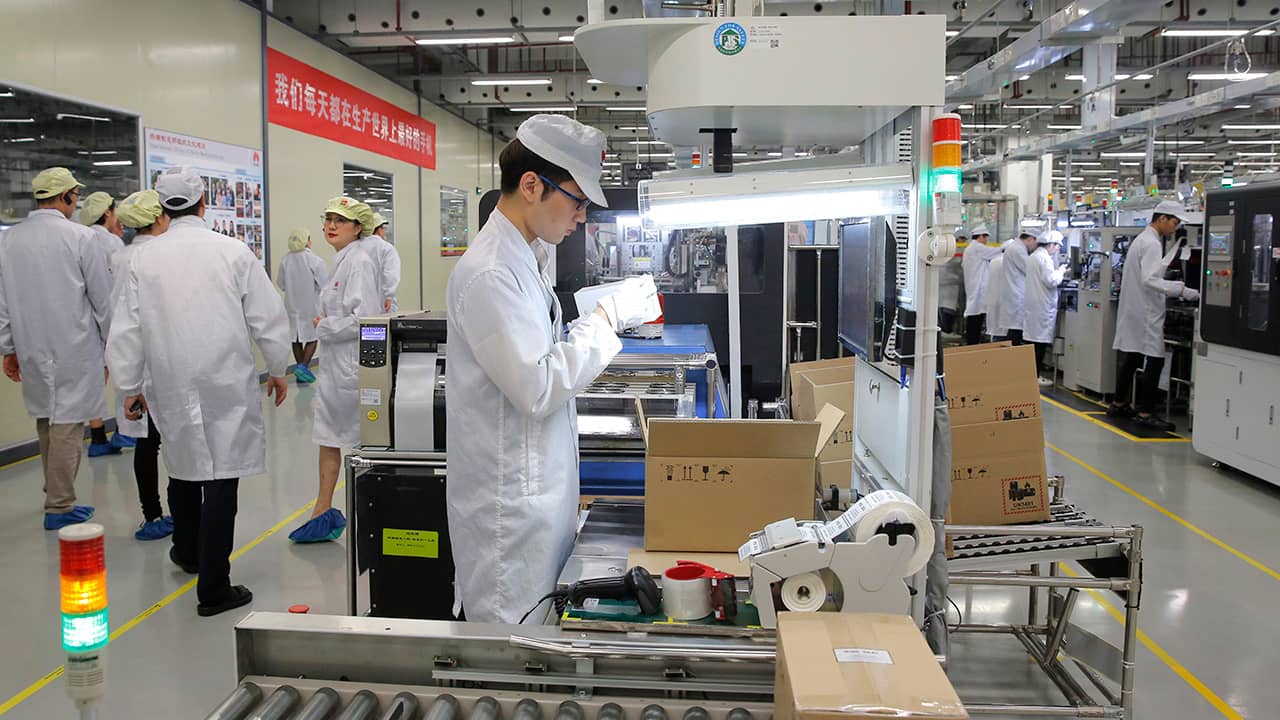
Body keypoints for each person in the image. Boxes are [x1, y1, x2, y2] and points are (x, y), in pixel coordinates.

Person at [445, 115, 660, 623]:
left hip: (536, 503)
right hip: (509, 519)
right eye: (577, 201)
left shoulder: (527, 256)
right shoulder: (490, 272)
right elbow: (537, 386)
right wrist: (607, 318)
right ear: (531, 186)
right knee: (512, 660)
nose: (581, 217)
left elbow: (540, 349)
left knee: (540, 649)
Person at [107, 166, 291, 616]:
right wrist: (279, 367)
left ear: (161, 206)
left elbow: (126, 328)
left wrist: (129, 384)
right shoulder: (231, 252)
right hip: (223, 378)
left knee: (183, 464)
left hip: (169, 378)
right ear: (203, 202)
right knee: (221, 474)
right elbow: (267, 316)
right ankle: (214, 587)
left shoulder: (143, 259)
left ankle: (187, 553)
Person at [0, 167, 111, 530]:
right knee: (68, 423)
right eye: (74, 197)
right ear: (66, 197)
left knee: (47, 419)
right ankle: (60, 505)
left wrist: (8, 347)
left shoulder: (10, 239)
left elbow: (2, 301)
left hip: (32, 343)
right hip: (73, 345)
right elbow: (102, 300)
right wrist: (113, 345)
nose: (75, 203)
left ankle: (54, 491)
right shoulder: (80, 237)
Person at [288, 197, 382, 543]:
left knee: (358, 444)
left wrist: (326, 325)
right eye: (327, 218)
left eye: (340, 221)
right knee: (328, 439)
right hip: (336, 369)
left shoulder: (358, 262)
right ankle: (322, 511)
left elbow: (366, 321)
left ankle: (368, 515)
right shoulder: (341, 261)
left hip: (351, 370)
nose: (330, 225)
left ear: (358, 228)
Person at [111, 190, 174, 541]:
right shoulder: (154, 257)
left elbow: (118, 324)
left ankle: (152, 514)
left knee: (145, 445)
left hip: (133, 366)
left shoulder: (121, 257)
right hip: (158, 365)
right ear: (159, 218)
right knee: (172, 444)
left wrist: (130, 382)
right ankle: (172, 515)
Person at [1109, 201, 1198, 430]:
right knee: (1155, 359)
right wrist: (1181, 289)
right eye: (1175, 222)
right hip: (1145, 312)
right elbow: (1149, 279)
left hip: (1135, 309)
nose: (1175, 227)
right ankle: (1146, 412)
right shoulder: (1151, 244)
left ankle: (1119, 403)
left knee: (1132, 358)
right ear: (1162, 219)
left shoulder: (1143, 240)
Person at [79, 190, 133, 455]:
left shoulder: (81, 238)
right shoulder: (111, 244)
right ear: (108, 213)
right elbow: (116, 289)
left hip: (82, 321)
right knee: (123, 371)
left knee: (95, 378)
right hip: (108, 318)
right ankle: (125, 430)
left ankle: (98, 436)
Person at [277, 228, 328, 385]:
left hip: (292, 305)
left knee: (296, 338)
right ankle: (303, 367)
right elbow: (325, 284)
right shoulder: (314, 260)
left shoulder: (285, 260)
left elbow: (281, 284)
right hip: (311, 305)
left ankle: (300, 371)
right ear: (307, 241)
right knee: (313, 337)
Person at [1024, 230, 1068, 385]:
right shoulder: (1044, 258)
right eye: (1057, 246)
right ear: (1051, 245)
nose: (1057, 250)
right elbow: (1051, 280)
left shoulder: (1033, 257)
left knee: (1033, 342)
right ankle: (1035, 376)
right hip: (1042, 305)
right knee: (1039, 343)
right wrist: (1061, 271)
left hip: (1034, 304)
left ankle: (1031, 374)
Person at [992, 232, 1038, 345]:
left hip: (1014, 294)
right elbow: (1029, 269)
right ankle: (1013, 358)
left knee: (1014, 329)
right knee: (1015, 331)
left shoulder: (1015, 247)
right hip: (1016, 295)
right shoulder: (1017, 249)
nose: (1035, 247)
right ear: (1031, 239)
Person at [960, 225, 1002, 344]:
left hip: (975, 288)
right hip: (977, 289)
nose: (986, 241)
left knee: (975, 317)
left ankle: (972, 343)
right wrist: (1008, 245)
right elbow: (995, 252)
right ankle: (972, 344)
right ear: (981, 236)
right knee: (975, 319)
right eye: (985, 238)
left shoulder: (971, 248)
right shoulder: (977, 248)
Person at [362, 211, 401, 313]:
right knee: (383, 326)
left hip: (362, 302)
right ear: (378, 229)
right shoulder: (386, 248)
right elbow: (391, 275)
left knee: (365, 327)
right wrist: (389, 295)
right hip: (383, 301)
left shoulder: (358, 247)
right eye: (383, 228)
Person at [984, 244, 1007, 341]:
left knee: (996, 334)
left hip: (993, 301)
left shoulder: (994, 260)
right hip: (1003, 302)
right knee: (1001, 335)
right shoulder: (1005, 262)